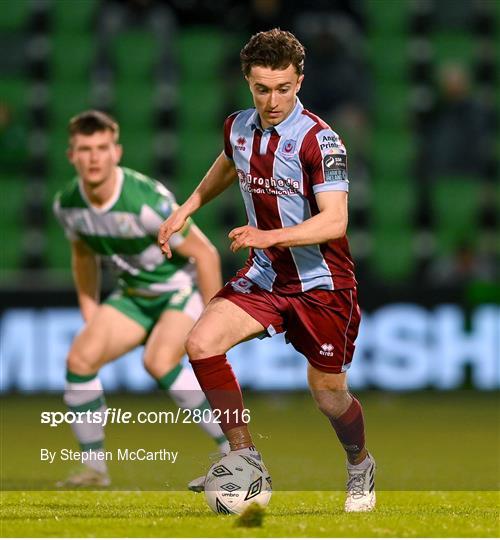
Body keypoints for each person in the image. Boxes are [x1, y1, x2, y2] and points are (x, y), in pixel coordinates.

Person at [158, 29, 376, 512]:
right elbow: (229, 163)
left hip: (322, 286)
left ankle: (360, 464)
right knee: (200, 344)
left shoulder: (321, 140)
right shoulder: (238, 126)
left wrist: (270, 236)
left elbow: (335, 220)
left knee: (328, 396)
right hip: (265, 277)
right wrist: (187, 205)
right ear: (248, 83)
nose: (272, 100)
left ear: (300, 81)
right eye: (262, 89)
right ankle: (245, 459)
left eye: (283, 88)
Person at [53, 110, 229, 487]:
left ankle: (232, 450)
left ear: (117, 152)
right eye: (85, 149)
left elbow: (205, 254)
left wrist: (216, 320)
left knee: (159, 360)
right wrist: (89, 307)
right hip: (133, 294)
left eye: (102, 148)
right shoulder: (67, 205)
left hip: (178, 290)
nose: (94, 157)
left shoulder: (144, 200)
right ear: (72, 155)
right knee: (79, 360)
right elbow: (83, 254)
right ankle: (94, 469)